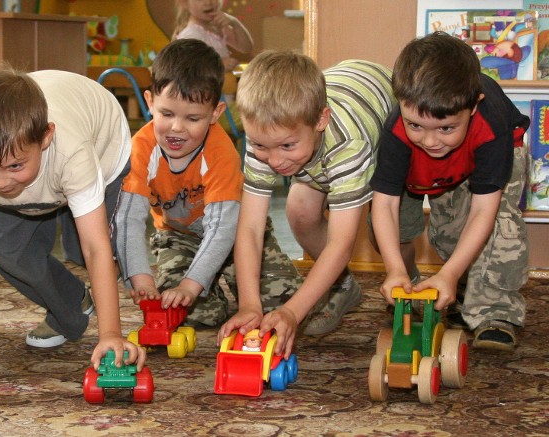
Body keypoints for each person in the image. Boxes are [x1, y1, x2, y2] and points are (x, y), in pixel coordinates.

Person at [0, 67, 146, 375]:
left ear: (46, 137)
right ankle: (73, 303)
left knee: (85, 250)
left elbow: (95, 247)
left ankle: (67, 219)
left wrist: (111, 335)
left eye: (14, 165)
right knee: (6, 248)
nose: (0, 182)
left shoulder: (72, 153)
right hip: (45, 177)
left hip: (102, 150)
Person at [217, 51, 395, 359]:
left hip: (383, 117)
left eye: (287, 145)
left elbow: (342, 243)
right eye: (259, 145)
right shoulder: (268, 136)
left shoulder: (348, 145)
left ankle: (409, 284)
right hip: (333, 116)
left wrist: (292, 312)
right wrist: (249, 305)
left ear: (320, 121)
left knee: (388, 229)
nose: (273, 160)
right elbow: (249, 228)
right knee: (299, 207)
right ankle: (342, 288)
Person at [116, 38, 302, 328]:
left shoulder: (219, 151)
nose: (177, 128)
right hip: (179, 238)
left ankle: (221, 285)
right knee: (186, 313)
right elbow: (128, 219)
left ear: (216, 113)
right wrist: (140, 277)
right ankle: (213, 294)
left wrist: (192, 285)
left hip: (238, 234)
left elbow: (222, 229)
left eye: (192, 118)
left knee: (282, 304)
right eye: (167, 114)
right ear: (150, 102)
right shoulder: (141, 149)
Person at [369, 31, 529, 352]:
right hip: (432, 171)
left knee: (500, 227)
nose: (430, 141)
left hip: (492, 158)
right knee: (447, 235)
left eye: (445, 128)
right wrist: (396, 269)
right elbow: (384, 205)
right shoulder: (396, 132)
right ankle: (453, 286)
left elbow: (484, 209)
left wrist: (449, 273)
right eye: (416, 125)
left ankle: (496, 311)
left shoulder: (490, 125)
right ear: (401, 103)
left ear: (473, 107)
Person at [172, 0, 253, 72]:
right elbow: (189, 68)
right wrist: (218, 64)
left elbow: (246, 47)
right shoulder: (190, 34)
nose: (208, 2)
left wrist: (234, 22)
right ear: (184, 3)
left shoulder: (217, 27)